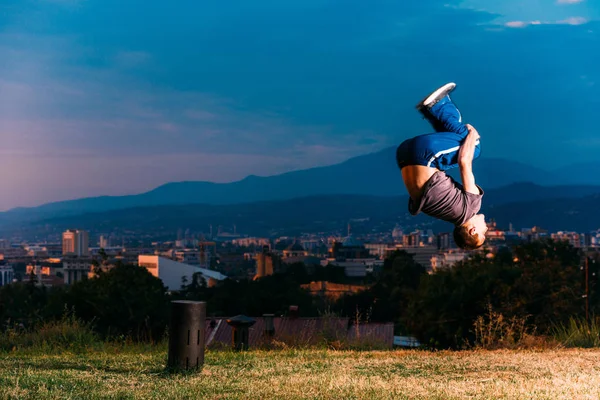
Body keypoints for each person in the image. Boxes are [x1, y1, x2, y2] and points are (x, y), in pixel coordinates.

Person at [396, 82, 488, 249]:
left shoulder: (471, 208)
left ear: (473, 231)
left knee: (474, 146)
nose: (487, 228)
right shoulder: (446, 212)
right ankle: (430, 111)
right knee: (455, 145)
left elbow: (464, 162)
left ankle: (439, 104)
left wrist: (472, 134)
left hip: (425, 153)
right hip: (404, 154)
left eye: (484, 233)